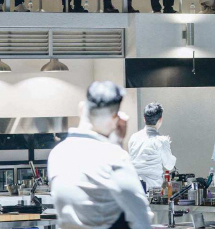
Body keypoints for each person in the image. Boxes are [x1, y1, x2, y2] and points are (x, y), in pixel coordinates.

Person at [48, 81, 153, 229]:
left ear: (81, 108)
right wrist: (118, 145)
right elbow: (141, 220)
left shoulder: (57, 154)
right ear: (115, 119)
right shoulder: (114, 158)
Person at [128, 102, 176, 191]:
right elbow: (169, 165)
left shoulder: (134, 137)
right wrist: (167, 145)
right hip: (152, 189)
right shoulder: (161, 140)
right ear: (160, 119)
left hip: (134, 185)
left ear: (144, 119)